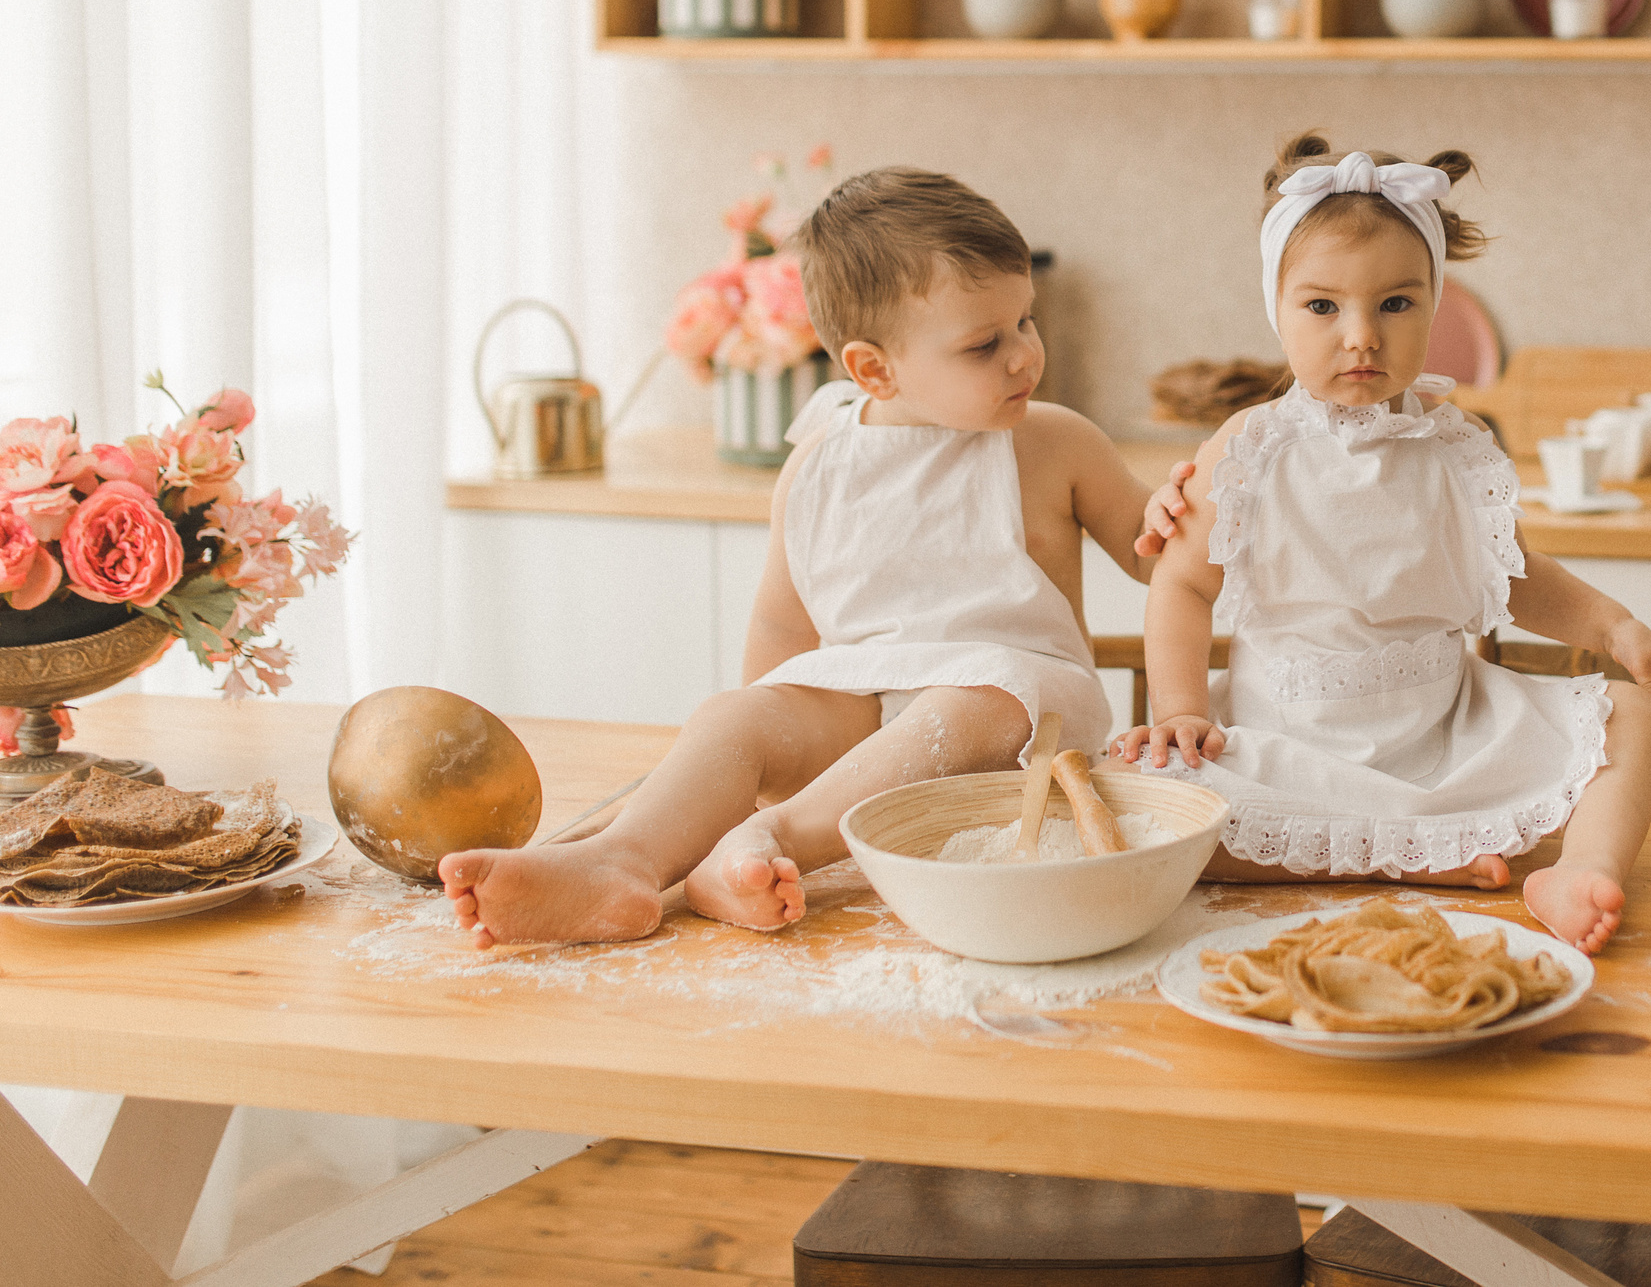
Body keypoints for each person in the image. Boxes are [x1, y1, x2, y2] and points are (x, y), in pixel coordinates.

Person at [442, 167, 1162, 946]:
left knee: (969, 702)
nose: (1026, 355)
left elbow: (1155, 553)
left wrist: (1182, 510)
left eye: (1025, 320)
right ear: (873, 369)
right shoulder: (820, 464)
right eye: (986, 343)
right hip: (860, 724)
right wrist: (761, 732)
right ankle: (622, 860)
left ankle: (773, 839)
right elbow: (783, 629)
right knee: (733, 714)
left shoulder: (1052, 442)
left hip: (1016, 720)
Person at [1110, 134, 1651, 954]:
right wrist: (1181, 712)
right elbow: (1182, 587)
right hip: (1290, 740)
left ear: (1435, 306)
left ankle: (1581, 869)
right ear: (1275, 308)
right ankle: (1417, 859)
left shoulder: (1456, 446)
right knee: (1144, 798)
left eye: (1395, 305)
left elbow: (1512, 576)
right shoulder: (1249, 446)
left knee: (1631, 713)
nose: (1361, 336)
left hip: (1445, 733)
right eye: (1322, 307)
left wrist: (1612, 626)